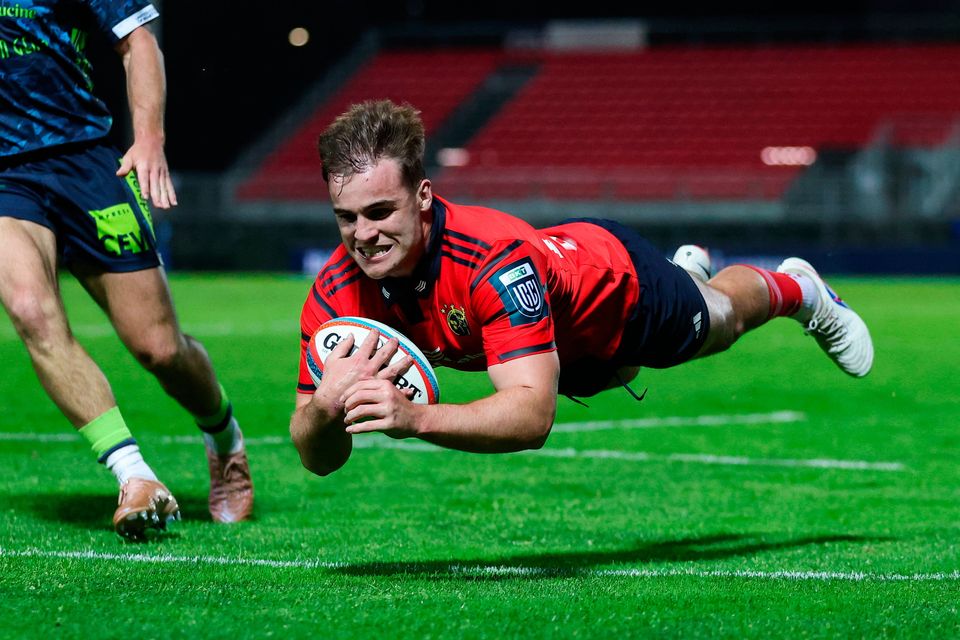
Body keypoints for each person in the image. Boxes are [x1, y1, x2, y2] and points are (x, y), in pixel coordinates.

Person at [290, 99, 873, 476]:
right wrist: (323, 408)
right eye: (347, 217)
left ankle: (800, 291)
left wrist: (415, 419)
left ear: (422, 196)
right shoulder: (334, 295)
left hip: (617, 289)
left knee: (718, 322)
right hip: (558, 349)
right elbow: (315, 456)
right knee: (616, 377)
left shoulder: (493, 259)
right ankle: (689, 273)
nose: (363, 235)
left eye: (381, 211)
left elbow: (531, 418)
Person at [0, 1, 253, 539]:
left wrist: (150, 138)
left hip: (86, 162)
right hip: (5, 177)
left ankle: (225, 438)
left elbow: (138, 41)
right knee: (29, 309)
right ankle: (133, 475)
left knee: (158, 348)